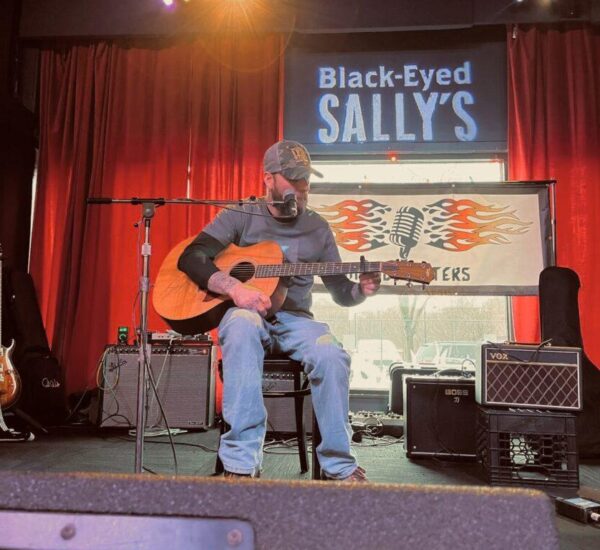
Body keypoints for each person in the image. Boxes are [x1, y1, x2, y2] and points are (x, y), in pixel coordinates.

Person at [178, 140, 381, 481]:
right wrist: (234, 288)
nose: (302, 188)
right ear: (268, 179)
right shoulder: (240, 215)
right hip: (247, 315)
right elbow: (191, 257)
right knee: (241, 324)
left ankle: (340, 466)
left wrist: (361, 290)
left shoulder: (318, 228)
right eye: (293, 178)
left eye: (306, 181)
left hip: (296, 321)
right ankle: (241, 464)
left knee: (331, 354)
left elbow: (341, 292)